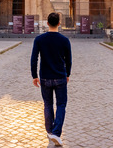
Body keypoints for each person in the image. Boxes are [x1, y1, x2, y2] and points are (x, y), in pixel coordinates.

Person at [31, 12, 72, 147]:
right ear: (59, 24)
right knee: (61, 105)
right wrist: (68, 74)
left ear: (47, 23)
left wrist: (34, 76)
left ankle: (50, 132)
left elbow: (34, 59)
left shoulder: (39, 39)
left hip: (45, 77)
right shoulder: (64, 40)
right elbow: (69, 60)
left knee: (48, 104)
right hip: (60, 76)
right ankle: (56, 133)